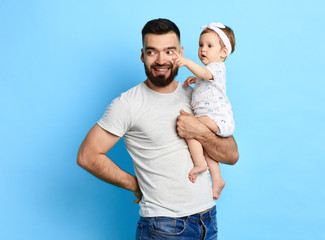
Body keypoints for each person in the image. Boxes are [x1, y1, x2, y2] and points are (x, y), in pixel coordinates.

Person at [77, 18, 239, 239]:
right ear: (143, 55)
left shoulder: (197, 95)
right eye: (152, 52)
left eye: (169, 51)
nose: (161, 60)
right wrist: (134, 184)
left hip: (207, 220)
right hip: (164, 226)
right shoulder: (128, 104)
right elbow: (87, 155)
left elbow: (232, 154)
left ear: (180, 53)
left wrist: (199, 132)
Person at [172, 22, 236, 200]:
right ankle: (217, 180)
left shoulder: (216, 67)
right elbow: (205, 77)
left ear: (223, 53)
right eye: (201, 45)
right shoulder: (208, 71)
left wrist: (187, 63)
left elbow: (206, 74)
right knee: (207, 147)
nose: (203, 50)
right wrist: (195, 78)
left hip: (216, 117)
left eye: (209, 46)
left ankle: (199, 164)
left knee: (191, 129)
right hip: (212, 117)